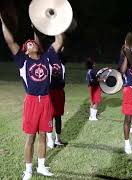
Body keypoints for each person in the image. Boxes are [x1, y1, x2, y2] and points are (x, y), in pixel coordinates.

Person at [1, 14, 63, 179]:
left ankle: (42, 166)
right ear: (25, 51)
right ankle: (28, 170)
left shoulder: (46, 59)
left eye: (33, 42)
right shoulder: (23, 61)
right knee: (31, 137)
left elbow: (59, 41)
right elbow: (10, 41)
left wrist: (56, 21)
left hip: (46, 100)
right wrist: (2, 22)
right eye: (28, 43)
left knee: (43, 135)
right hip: (32, 102)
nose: (31, 43)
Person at [86, 57, 104, 121]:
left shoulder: (89, 71)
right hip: (95, 88)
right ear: (93, 64)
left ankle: (91, 116)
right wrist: (102, 79)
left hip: (91, 87)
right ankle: (93, 117)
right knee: (96, 102)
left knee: (92, 101)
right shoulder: (93, 71)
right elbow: (96, 79)